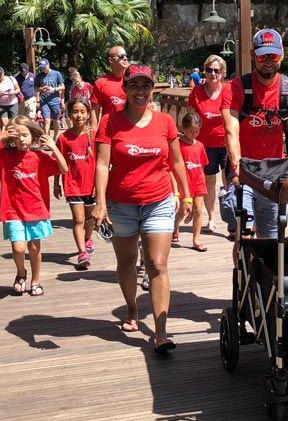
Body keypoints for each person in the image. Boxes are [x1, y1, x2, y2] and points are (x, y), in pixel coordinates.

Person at [91, 64, 192, 354]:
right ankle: (133, 309)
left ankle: (161, 332)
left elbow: (176, 162)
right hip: (121, 204)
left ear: (152, 89)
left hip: (158, 200)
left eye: (145, 86)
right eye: (134, 85)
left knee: (157, 264)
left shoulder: (165, 122)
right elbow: (101, 163)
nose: (140, 91)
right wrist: (99, 203)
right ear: (124, 89)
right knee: (127, 263)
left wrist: (185, 197)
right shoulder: (110, 122)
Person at [221, 28, 288, 239]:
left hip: (274, 171)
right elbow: (230, 129)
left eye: (274, 56)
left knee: (271, 236)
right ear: (253, 56)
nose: (268, 61)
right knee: (243, 235)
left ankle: (264, 271)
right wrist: (236, 168)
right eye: (263, 56)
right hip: (244, 168)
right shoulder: (236, 88)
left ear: (282, 55)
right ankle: (244, 269)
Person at [0, 116, 69, 296]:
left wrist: (54, 148)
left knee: (34, 247)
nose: (21, 139)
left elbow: (64, 169)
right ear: (11, 137)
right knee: (18, 248)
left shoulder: (39, 157)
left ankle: (35, 280)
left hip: (36, 209)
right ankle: (21, 272)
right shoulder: (4, 155)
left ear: (32, 135)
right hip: (12, 209)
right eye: (17, 135)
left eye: (25, 135)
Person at [54, 99, 97, 269]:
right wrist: (56, 183)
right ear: (69, 114)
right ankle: (82, 253)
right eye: (75, 112)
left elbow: (103, 160)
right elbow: (58, 161)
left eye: (82, 112)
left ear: (87, 114)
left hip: (92, 185)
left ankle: (87, 239)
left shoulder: (93, 135)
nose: (79, 115)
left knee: (90, 219)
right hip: (72, 184)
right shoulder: (64, 138)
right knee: (78, 219)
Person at [187, 55, 227, 234]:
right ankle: (211, 218)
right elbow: (190, 118)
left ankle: (232, 219)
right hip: (205, 145)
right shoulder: (196, 92)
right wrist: (188, 141)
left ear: (222, 73)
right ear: (205, 71)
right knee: (209, 181)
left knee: (231, 181)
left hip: (226, 143)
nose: (213, 73)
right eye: (209, 70)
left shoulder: (229, 91)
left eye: (216, 70)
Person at [171, 111, 208, 252]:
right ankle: (175, 225)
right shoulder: (178, 145)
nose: (193, 134)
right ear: (183, 128)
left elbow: (202, 165)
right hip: (183, 182)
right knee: (183, 211)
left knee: (198, 209)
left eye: (197, 131)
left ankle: (196, 239)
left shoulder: (200, 145)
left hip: (198, 180)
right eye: (190, 131)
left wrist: (202, 181)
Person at [92, 45, 130, 124]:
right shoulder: (100, 83)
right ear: (111, 60)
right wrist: (94, 131)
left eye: (126, 56)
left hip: (130, 130)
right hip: (109, 131)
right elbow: (94, 112)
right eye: (121, 56)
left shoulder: (134, 80)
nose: (125, 58)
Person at [34, 58, 65, 140]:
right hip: (44, 100)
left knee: (56, 120)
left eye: (44, 67)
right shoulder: (39, 76)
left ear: (48, 65)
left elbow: (63, 87)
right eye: (41, 67)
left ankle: (55, 137)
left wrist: (53, 89)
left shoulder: (56, 74)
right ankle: (47, 139)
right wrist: (42, 89)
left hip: (55, 100)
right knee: (46, 120)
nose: (43, 69)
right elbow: (36, 89)